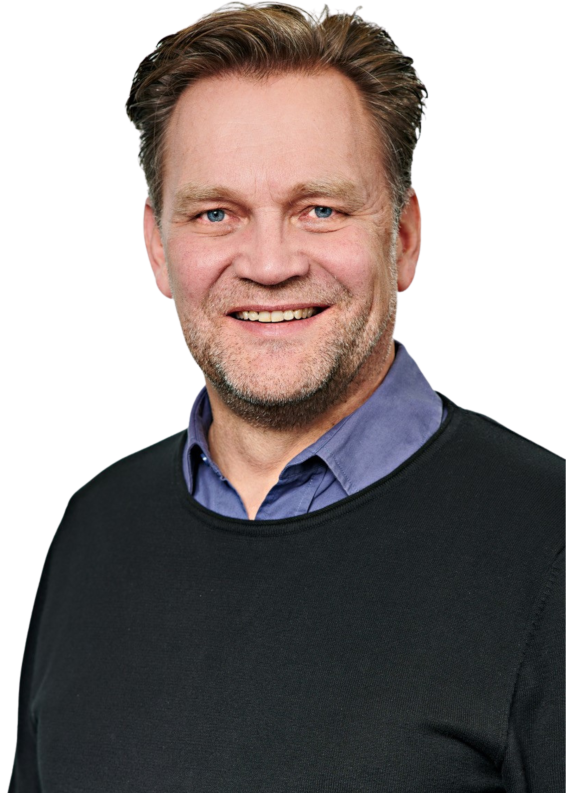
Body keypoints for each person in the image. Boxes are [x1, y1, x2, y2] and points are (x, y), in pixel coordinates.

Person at [9, 2, 565, 790]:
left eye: (320, 210)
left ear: (403, 237)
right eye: (216, 213)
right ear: (157, 247)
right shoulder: (94, 527)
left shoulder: (549, 542)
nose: (269, 264)